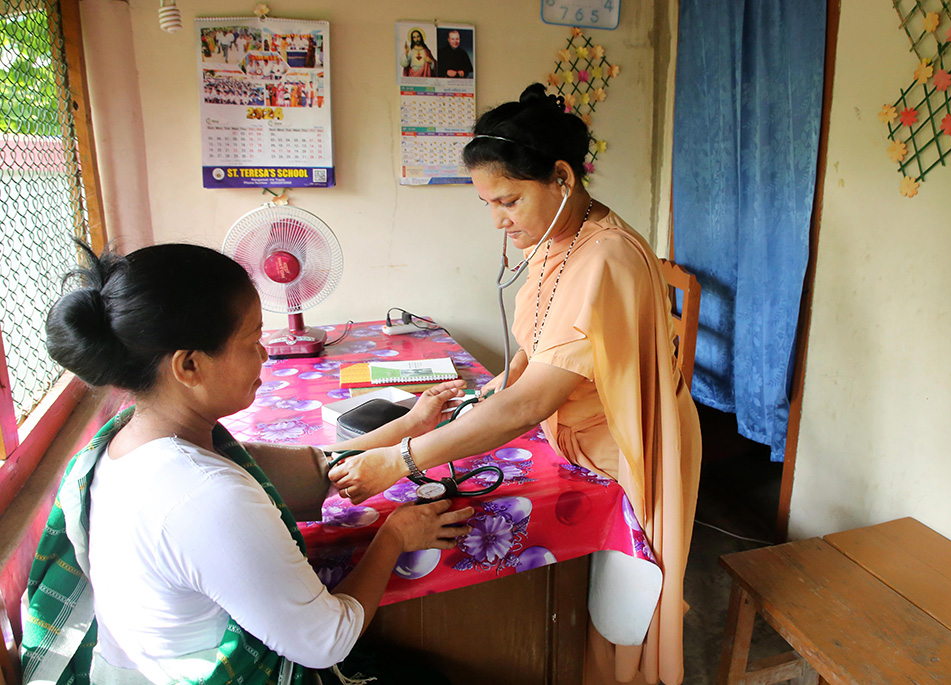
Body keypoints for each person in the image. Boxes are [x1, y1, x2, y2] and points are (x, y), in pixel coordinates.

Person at [328, 83, 702, 685]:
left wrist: (401, 460)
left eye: (509, 201)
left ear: (561, 177)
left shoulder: (603, 258)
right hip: (575, 434)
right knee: (588, 604)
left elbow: (529, 404)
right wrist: (488, 391)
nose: (500, 222)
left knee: (622, 615)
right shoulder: (561, 238)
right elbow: (537, 349)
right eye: (489, 206)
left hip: (625, 449)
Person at [21, 242, 473, 684]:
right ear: (189, 366)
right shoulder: (204, 494)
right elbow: (326, 641)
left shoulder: (130, 441)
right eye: (252, 339)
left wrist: (408, 425)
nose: (263, 354)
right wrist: (395, 536)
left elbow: (319, 470)